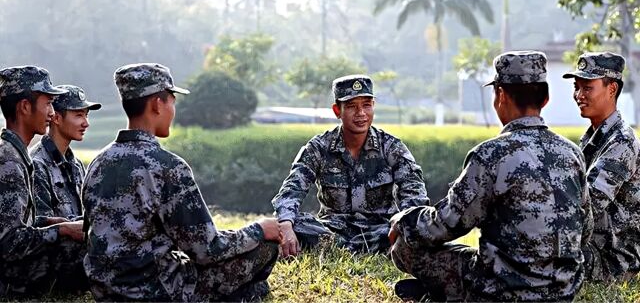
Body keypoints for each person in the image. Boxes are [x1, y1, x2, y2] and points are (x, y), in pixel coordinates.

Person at [389, 51, 593, 301]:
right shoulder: (572, 153)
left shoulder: (490, 155)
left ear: (501, 95)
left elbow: (446, 224)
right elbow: (586, 228)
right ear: (546, 98)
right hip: (563, 292)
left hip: (503, 294)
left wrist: (404, 221)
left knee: (405, 246)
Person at [82, 63, 282, 301]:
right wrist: (259, 229)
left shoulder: (97, 163)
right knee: (265, 247)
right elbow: (207, 250)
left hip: (105, 292)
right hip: (156, 292)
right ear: (157, 104)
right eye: (172, 101)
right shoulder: (168, 166)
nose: (173, 109)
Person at [272, 74, 428, 256]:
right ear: (337, 110)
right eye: (352, 106)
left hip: (379, 231)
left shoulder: (392, 147)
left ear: (373, 107)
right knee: (285, 224)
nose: (361, 113)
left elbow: (415, 194)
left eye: (366, 105)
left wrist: (403, 223)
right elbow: (291, 190)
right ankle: (351, 248)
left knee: (413, 226)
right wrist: (286, 225)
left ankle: (348, 249)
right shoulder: (319, 147)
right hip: (331, 231)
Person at [0, 66, 87, 297]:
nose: (51, 113)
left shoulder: (16, 155)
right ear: (25, 107)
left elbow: (17, 223)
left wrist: (48, 221)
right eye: (47, 103)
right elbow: (9, 242)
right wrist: (62, 230)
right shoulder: (8, 161)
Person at [562, 52, 640, 281]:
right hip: (593, 248)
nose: (578, 95)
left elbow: (588, 204)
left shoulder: (621, 142)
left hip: (614, 262)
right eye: (576, 87)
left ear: (612, 89)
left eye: (587, 88)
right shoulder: (594, 137)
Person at [30, 85, 101, 220]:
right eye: (79, 115)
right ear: (56, 118)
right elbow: (42, 226)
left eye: (86, 115)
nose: (86, 123)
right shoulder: (37, 165)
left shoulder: (76, 165)